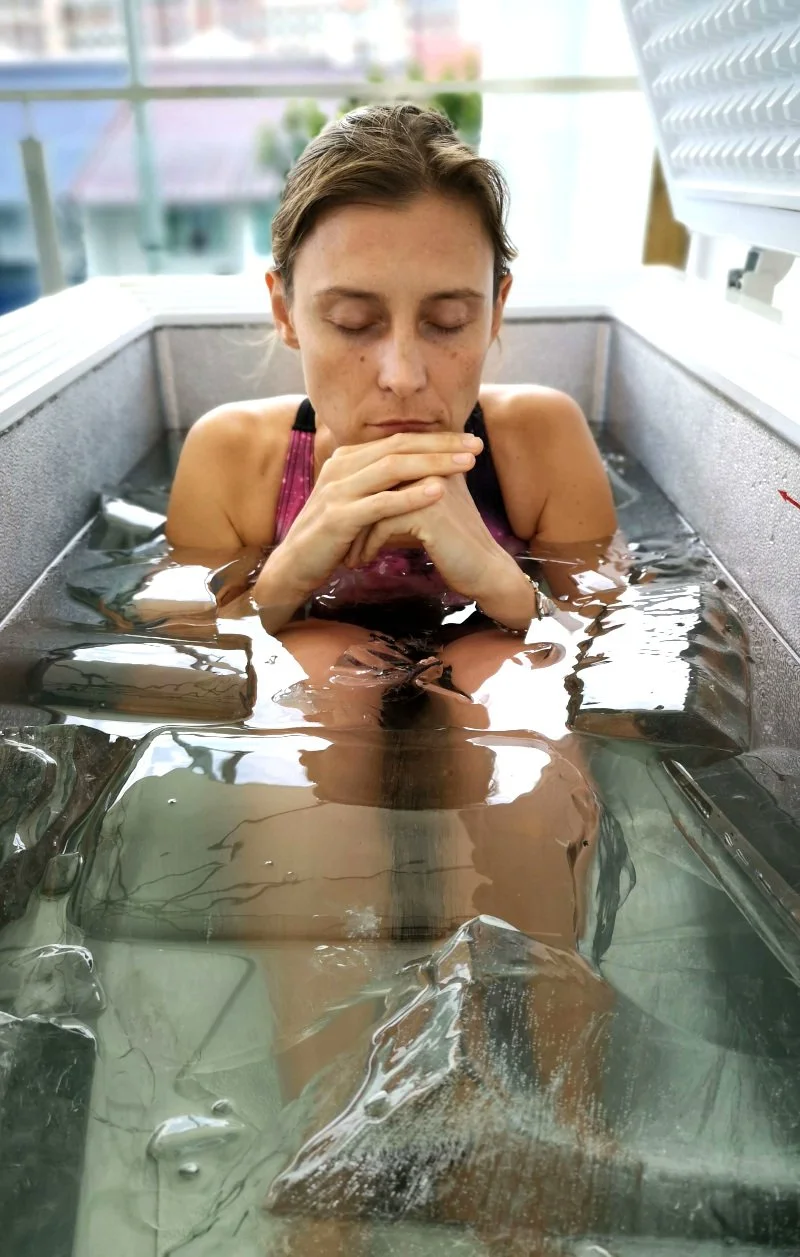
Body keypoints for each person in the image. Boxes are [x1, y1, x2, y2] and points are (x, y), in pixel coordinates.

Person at [165, 102, 618, 732]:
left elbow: (620, 640)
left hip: (490, 662)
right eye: (353, 321)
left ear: (495, 310)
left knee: (513, 676)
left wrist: (502, 583)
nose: (402, 375)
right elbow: (169, 670)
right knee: (314, 670)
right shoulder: (233, 457)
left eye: (448, 322)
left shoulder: (541, 441)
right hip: (320, 680)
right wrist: (286, 574)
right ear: (286, 311)